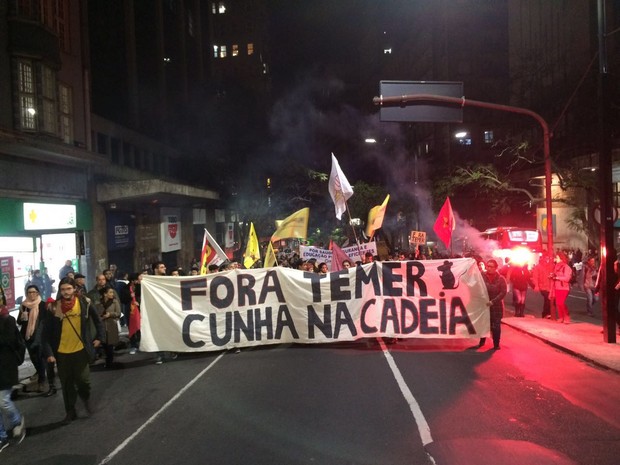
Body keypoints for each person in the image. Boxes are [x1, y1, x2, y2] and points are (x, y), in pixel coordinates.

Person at [43, 277, 104, 425]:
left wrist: (99, 338)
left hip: (81, 349)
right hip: (62, 352)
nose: (65, 292)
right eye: (63, 289)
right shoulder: (55, 307)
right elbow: (46, 333)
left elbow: (97, 320)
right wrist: (50, 353)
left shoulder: (84, 303)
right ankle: (70, 411)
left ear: (74, 289)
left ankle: (86, 398)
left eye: (68, 289)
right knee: (66, 384)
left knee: (84, 381)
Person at [17, 285, 55, 395]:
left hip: (40, 337)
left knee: (40, 358)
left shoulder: (42, 305)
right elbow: (19, 322)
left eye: (34, 292)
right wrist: (23, 317)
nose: (31, 294)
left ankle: (42, 381)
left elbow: (46, 322)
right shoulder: (24, 306)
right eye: (29, 292)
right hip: (28, 337)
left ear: (38, 293)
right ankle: (40, 375)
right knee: (34, 359)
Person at [0, 303, 26, 450]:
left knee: (3, 401)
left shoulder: (7, 319)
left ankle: (17, 422)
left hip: (5, 367)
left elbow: (8, 341)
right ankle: (1, 437)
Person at [478, 259, 507, 350]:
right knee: (484, 324)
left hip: (496, 306)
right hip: (485, 305)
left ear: (496, 268)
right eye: (488, 266)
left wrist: (493, 301)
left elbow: (503, 292)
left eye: (491, 267)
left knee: (496, 325)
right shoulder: (482, 276)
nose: (489, 268)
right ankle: (482, 341)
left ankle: (496, 343)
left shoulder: (501, 279)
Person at [96, 286, 121, 368]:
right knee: (104, 345)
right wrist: (102, 317)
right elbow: (96, 315)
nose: (112, 294)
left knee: (110, 345)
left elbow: (118, 313)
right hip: (102, 326)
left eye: (112, 292)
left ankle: (109, 362)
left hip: (111, 325)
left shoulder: (114, 302)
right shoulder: (99, 303)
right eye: (110, 292)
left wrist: (110, 314)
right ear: (105, 294)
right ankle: (107, 361)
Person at [550, 251, 573, 324]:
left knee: (561, 302)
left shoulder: (566, 267)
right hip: (557, 287)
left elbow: (567, 278)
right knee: (558, 303)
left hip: (564, 287)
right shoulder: (556, 266)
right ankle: (561, 317)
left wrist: (557, 277)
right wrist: (552, 276)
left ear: (561, 258)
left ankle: (566, 316)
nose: (555, 259)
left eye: (557, 258)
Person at [531, 254, 554, 318]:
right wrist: (536, 285)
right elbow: (535, 277)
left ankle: (547, 313)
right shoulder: (538, 267)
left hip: (550, 286)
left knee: (549, 300)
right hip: (543, 286)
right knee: (547, 299)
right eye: (546, 258)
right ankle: (546, 314)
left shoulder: (550, 266)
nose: (547, 259)